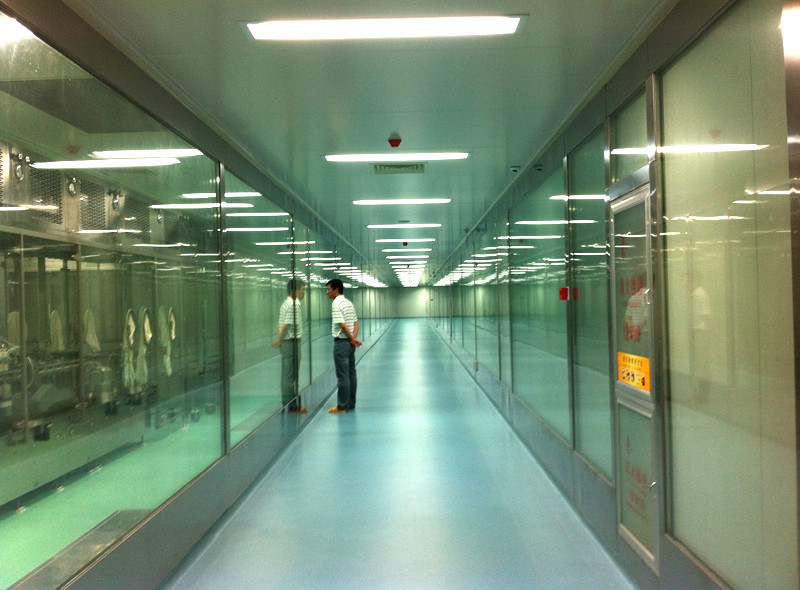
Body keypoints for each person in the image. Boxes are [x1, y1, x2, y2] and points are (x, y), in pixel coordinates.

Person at [326, 279, 361, 413]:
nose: (327, 292)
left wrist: (351, 338)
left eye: (329, 289)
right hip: (350, 345)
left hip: (341, 343)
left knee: (343, 376)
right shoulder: (348, 303)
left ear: (336, 290)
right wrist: (353, 339)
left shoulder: (336, 304)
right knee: (351, 374)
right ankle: (351, 403)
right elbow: (355, 323)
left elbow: (342, 324)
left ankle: (342, 406)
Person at [272, 279, 306, 414]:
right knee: (290, 376)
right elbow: (285, 325)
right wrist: (279, 339)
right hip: (291, 343)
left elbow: (280, 324)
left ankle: (287, 403)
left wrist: (279, 339)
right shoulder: (293, 305)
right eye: (302, 290)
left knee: (287, 375)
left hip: (287, 342)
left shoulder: (285, 304)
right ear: (293, 291)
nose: (304, 293)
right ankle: (292, 405)